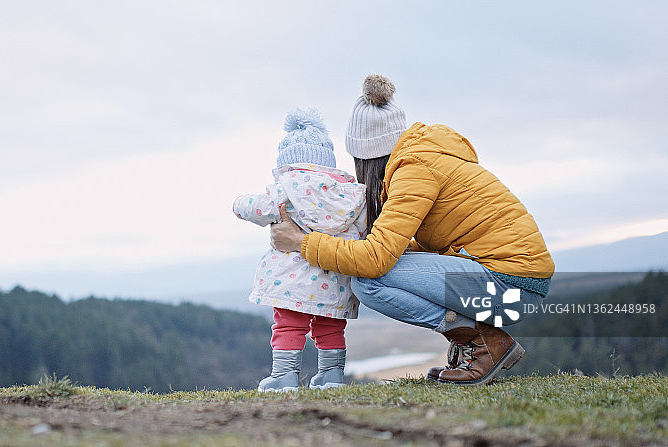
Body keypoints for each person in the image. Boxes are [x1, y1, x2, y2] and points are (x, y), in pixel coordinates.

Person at [270, 75, 555, 386]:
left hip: (509, 287)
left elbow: (373, 262)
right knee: (378, 271)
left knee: (367, 282)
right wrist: (410, 250)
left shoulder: (413, 169)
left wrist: (301, 242)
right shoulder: (426, 157)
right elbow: (456, 243)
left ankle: (484, 343)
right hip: (516, 282)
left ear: (366, 155)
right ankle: (480, 342)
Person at [233, 108, 367, 392]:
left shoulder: (287, 188)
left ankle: (284, 376)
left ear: (288, 163)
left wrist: (238, 203)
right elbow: (367, 227)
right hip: (336, 280)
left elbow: (257, 208)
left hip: (294, 281)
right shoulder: (351, 193)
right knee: (330, 326)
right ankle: (331, 376)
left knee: (288, 325)